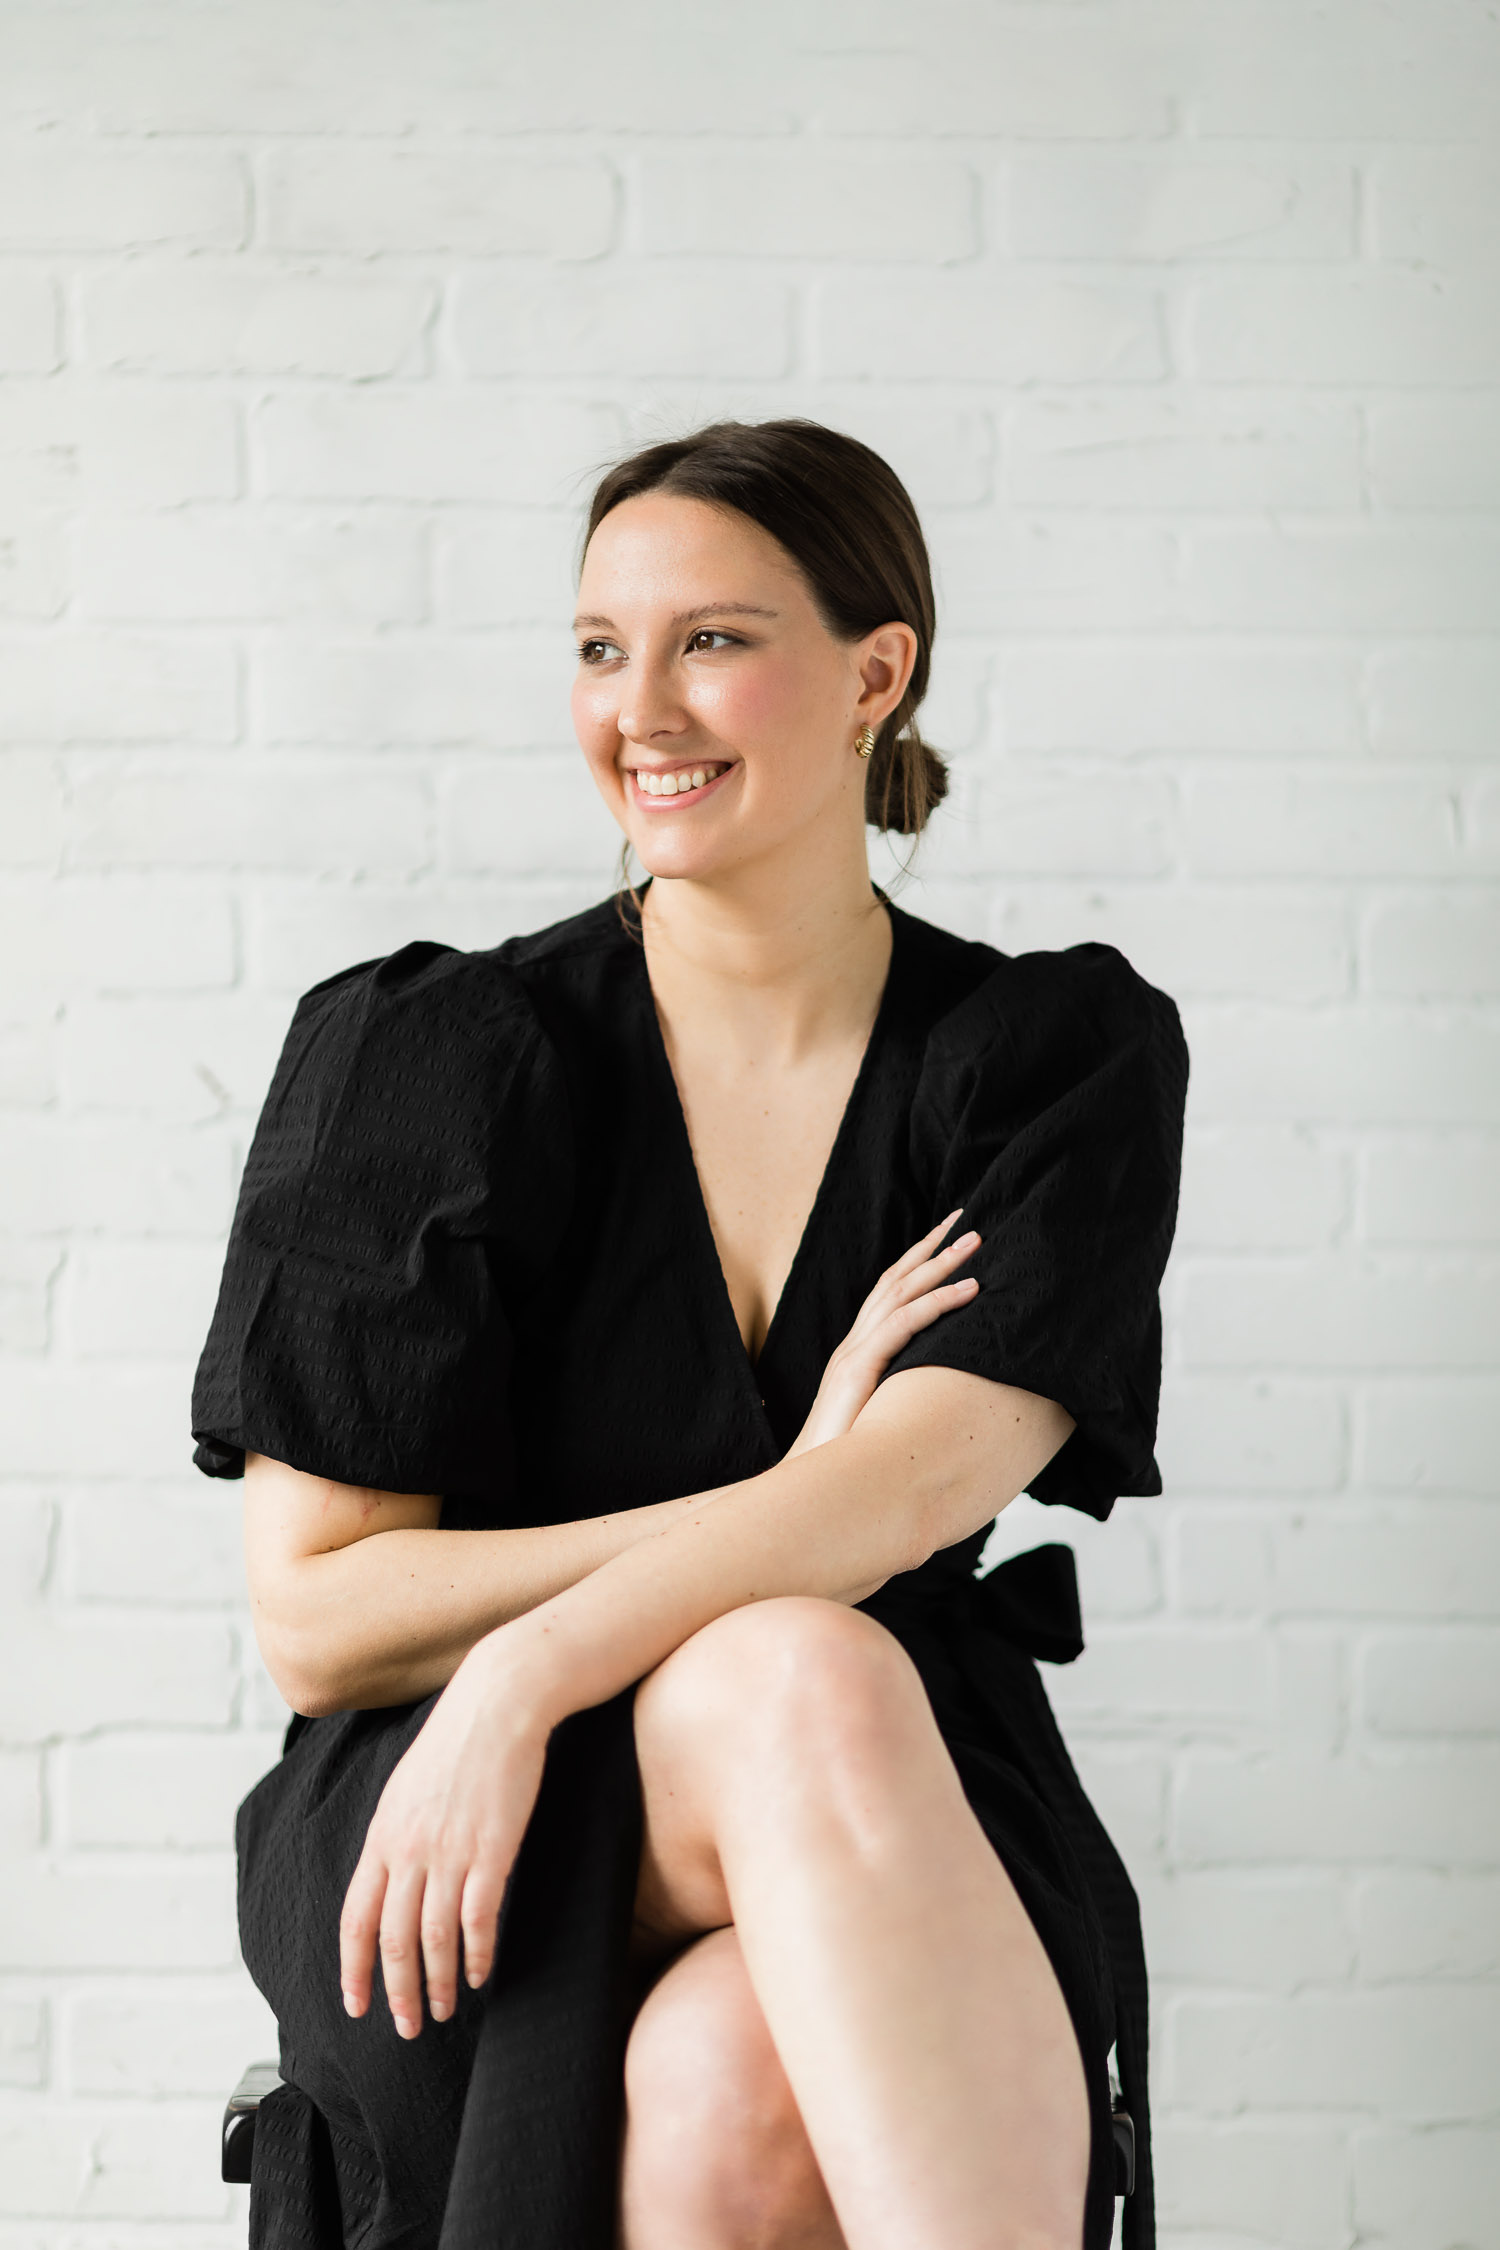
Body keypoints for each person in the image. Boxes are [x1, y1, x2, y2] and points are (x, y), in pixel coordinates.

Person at [192, 418, 1186, 2250]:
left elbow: (924, 1486)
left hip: (854, 1793)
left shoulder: (1047, 1067)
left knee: (743, 2074)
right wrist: (781, 1507)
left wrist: (528, 1649)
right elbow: (319, 1616)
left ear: (877, 671)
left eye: (711, 639)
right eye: (597, 647)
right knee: (805, 1650)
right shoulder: (429, 1055)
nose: (639, 706)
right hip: (455, 1829)